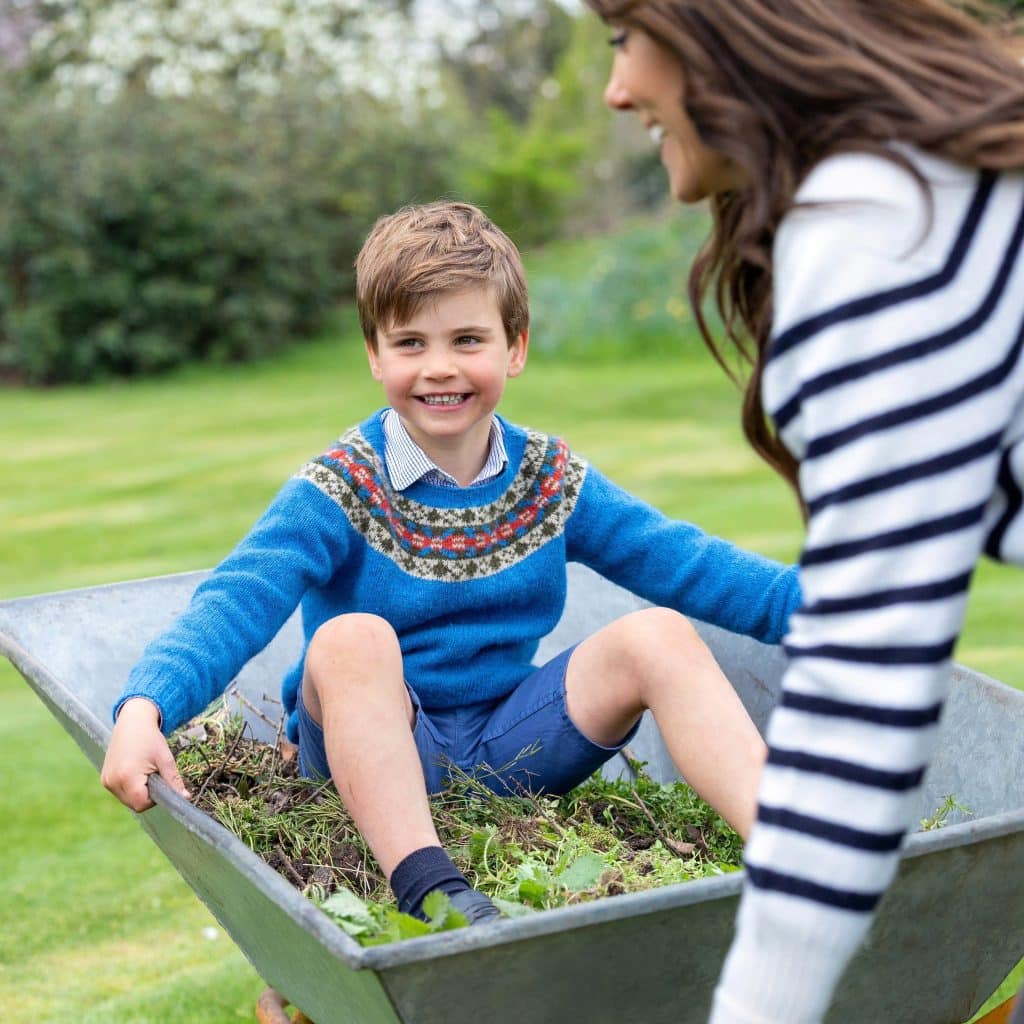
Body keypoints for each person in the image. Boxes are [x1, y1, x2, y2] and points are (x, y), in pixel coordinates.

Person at [101, 199, 801, 926]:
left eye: (468, 339)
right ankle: (432, 891)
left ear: (515, 347)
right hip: (369, 751)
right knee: (351, 639)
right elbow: (238, 596)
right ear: (374, 354)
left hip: (510, 741)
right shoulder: (341, 486)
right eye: (410, 343)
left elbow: (685, 563)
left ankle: (790, 857)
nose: (440, 368)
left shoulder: (548, 478)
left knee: (657, 633)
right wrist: (147, 705)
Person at [585, 1, 1024, 1022]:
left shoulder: (876, 233)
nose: (616, 89)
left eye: (620, 38)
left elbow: (863, 703)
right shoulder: (933, 181)